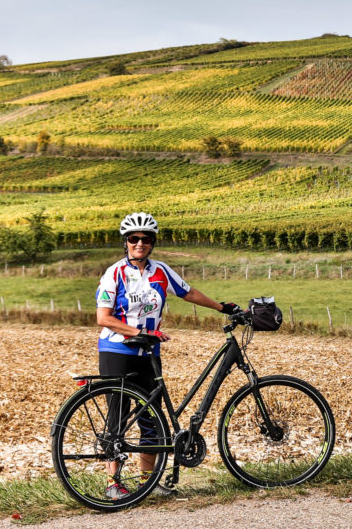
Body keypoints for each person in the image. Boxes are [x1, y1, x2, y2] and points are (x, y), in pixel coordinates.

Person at [96, 211, 240, 500]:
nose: (140, 243)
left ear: (152, 243)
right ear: (126, 242)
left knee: (152, 419)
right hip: (117, 351)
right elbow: (103, 317)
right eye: (134, 239)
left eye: (145, 239)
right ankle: (113, 483)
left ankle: (147, 483)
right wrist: (137, 330)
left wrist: (221, 307)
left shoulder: (160, 270)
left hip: (148, 354)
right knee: (118, 418)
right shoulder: (114, 273)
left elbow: (187, 293)